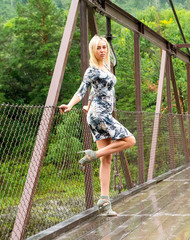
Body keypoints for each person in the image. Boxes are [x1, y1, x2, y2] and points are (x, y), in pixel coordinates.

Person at [59, 35, 136, 216]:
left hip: (98, 112)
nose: (102, 50)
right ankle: (92, 155)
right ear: (93, 50)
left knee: (106, 158)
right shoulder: (92, 70)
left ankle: (104, 202)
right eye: (99, 48)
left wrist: (89, 105)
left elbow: (98, 92)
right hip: (99, 115)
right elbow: (82, 90)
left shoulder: (106, 67)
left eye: (104, 47)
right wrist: (70, 105)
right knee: (130, 140)